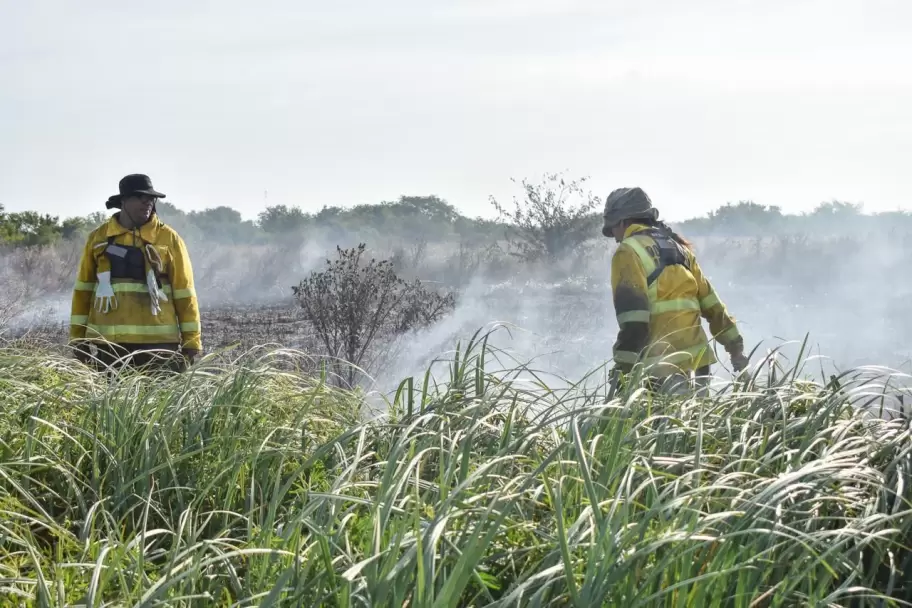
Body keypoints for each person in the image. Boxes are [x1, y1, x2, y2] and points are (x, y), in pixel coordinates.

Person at [602, 187, 748, 395]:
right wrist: (735, 349)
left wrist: (623, 375)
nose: (615, 238)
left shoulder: (628, 251)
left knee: (658, 427)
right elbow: (713, 307)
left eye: (613, 229)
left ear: (623, 221)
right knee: (695, 424)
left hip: (660, 368)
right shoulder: (680, 249)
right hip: (698, 366)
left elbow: (634, 322)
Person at [69, 174, 202, 372]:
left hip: (160, 346)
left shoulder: (169, 239)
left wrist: (192, 342)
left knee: (160, 402)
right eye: (140, 197)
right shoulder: (98, 238)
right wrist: (77, 338)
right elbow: (83, 291)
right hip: (110, 346)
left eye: (150, 198)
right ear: (123, 201)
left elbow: (185, 293)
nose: (147, 202)